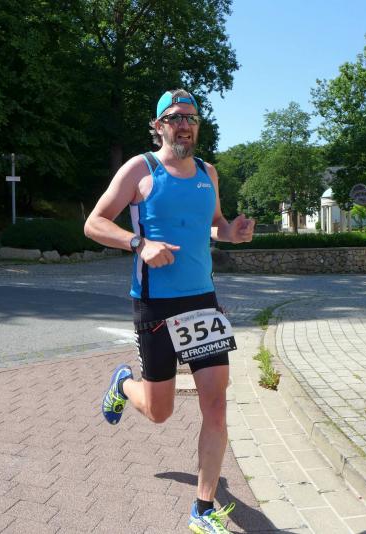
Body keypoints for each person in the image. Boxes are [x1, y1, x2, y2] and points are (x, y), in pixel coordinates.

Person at [84, 89, 255, 534]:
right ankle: (125, 384)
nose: (184, 125)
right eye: (175, 117)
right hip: (155, 303)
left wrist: (232, 232)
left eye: (191, 118)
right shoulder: (140, 169)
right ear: (158, 125)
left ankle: (203, 508)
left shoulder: (208, 172)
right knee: (160, 412)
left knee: (215, 405)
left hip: (202, 302)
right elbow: (94, 223)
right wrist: (139, 243)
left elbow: (214, 224)